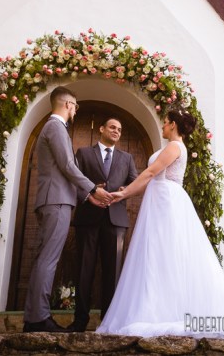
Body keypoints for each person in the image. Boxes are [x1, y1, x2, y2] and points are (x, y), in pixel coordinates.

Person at [95, 110, 224, 344]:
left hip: (167, 203)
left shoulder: (175, 147)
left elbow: (151, 172)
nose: (163, 127)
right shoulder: (173, 146)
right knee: (156, 255)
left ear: (174, 125)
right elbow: (150, 177)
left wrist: (123, 193)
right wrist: (126, 193)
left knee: (167, 253)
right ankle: (153, 305)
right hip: (158, 201)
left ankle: (165, 312)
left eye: (165, 124)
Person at [23, 86, 115, 333]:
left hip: (56, 199)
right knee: (48, 259)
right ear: (67, 105)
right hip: (56, 201)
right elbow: (66, 165)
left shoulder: (54, 128)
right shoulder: (55, 127)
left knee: (45, 258)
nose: (75, 110)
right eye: (75, 106)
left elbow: (62, 169)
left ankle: (34, 316)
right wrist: (93, 190)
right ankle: (38, 318)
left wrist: (87, 196)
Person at [68, 117, 138, 332]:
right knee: (84, 270)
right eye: (112, 127)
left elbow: (134, 183)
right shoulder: (84, 153)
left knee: (112, 272)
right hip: (88, 217)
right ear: (101, 129)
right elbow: (75, 181)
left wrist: (119, 193)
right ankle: (80, 320)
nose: (116, 131)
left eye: (119, 129)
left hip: (115, 220)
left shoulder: (127, 158)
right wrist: (91, 192)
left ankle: (108, 321)